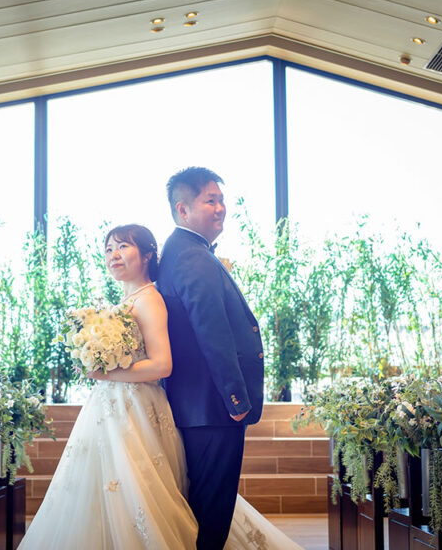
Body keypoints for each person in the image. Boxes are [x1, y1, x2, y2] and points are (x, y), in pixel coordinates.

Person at [20, 223, 300, 550]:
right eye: (109, 249)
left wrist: (105, 371)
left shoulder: (150, 299)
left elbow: (162, 365)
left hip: (137, 410)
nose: (114, 255)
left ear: (148, 254)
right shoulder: (125, 301)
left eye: (123, 247)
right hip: (110, 409)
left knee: (140, 491)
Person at [157, 167, 265, 550]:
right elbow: (212, 332)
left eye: (221, 199)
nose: (221, 208)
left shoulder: (183, 251)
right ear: (183, 209)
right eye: (210, 200)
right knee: (211, 514)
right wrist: (235, 398)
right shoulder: (192, 256)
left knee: (205, 508)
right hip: (212, 408)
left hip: (199, 407)